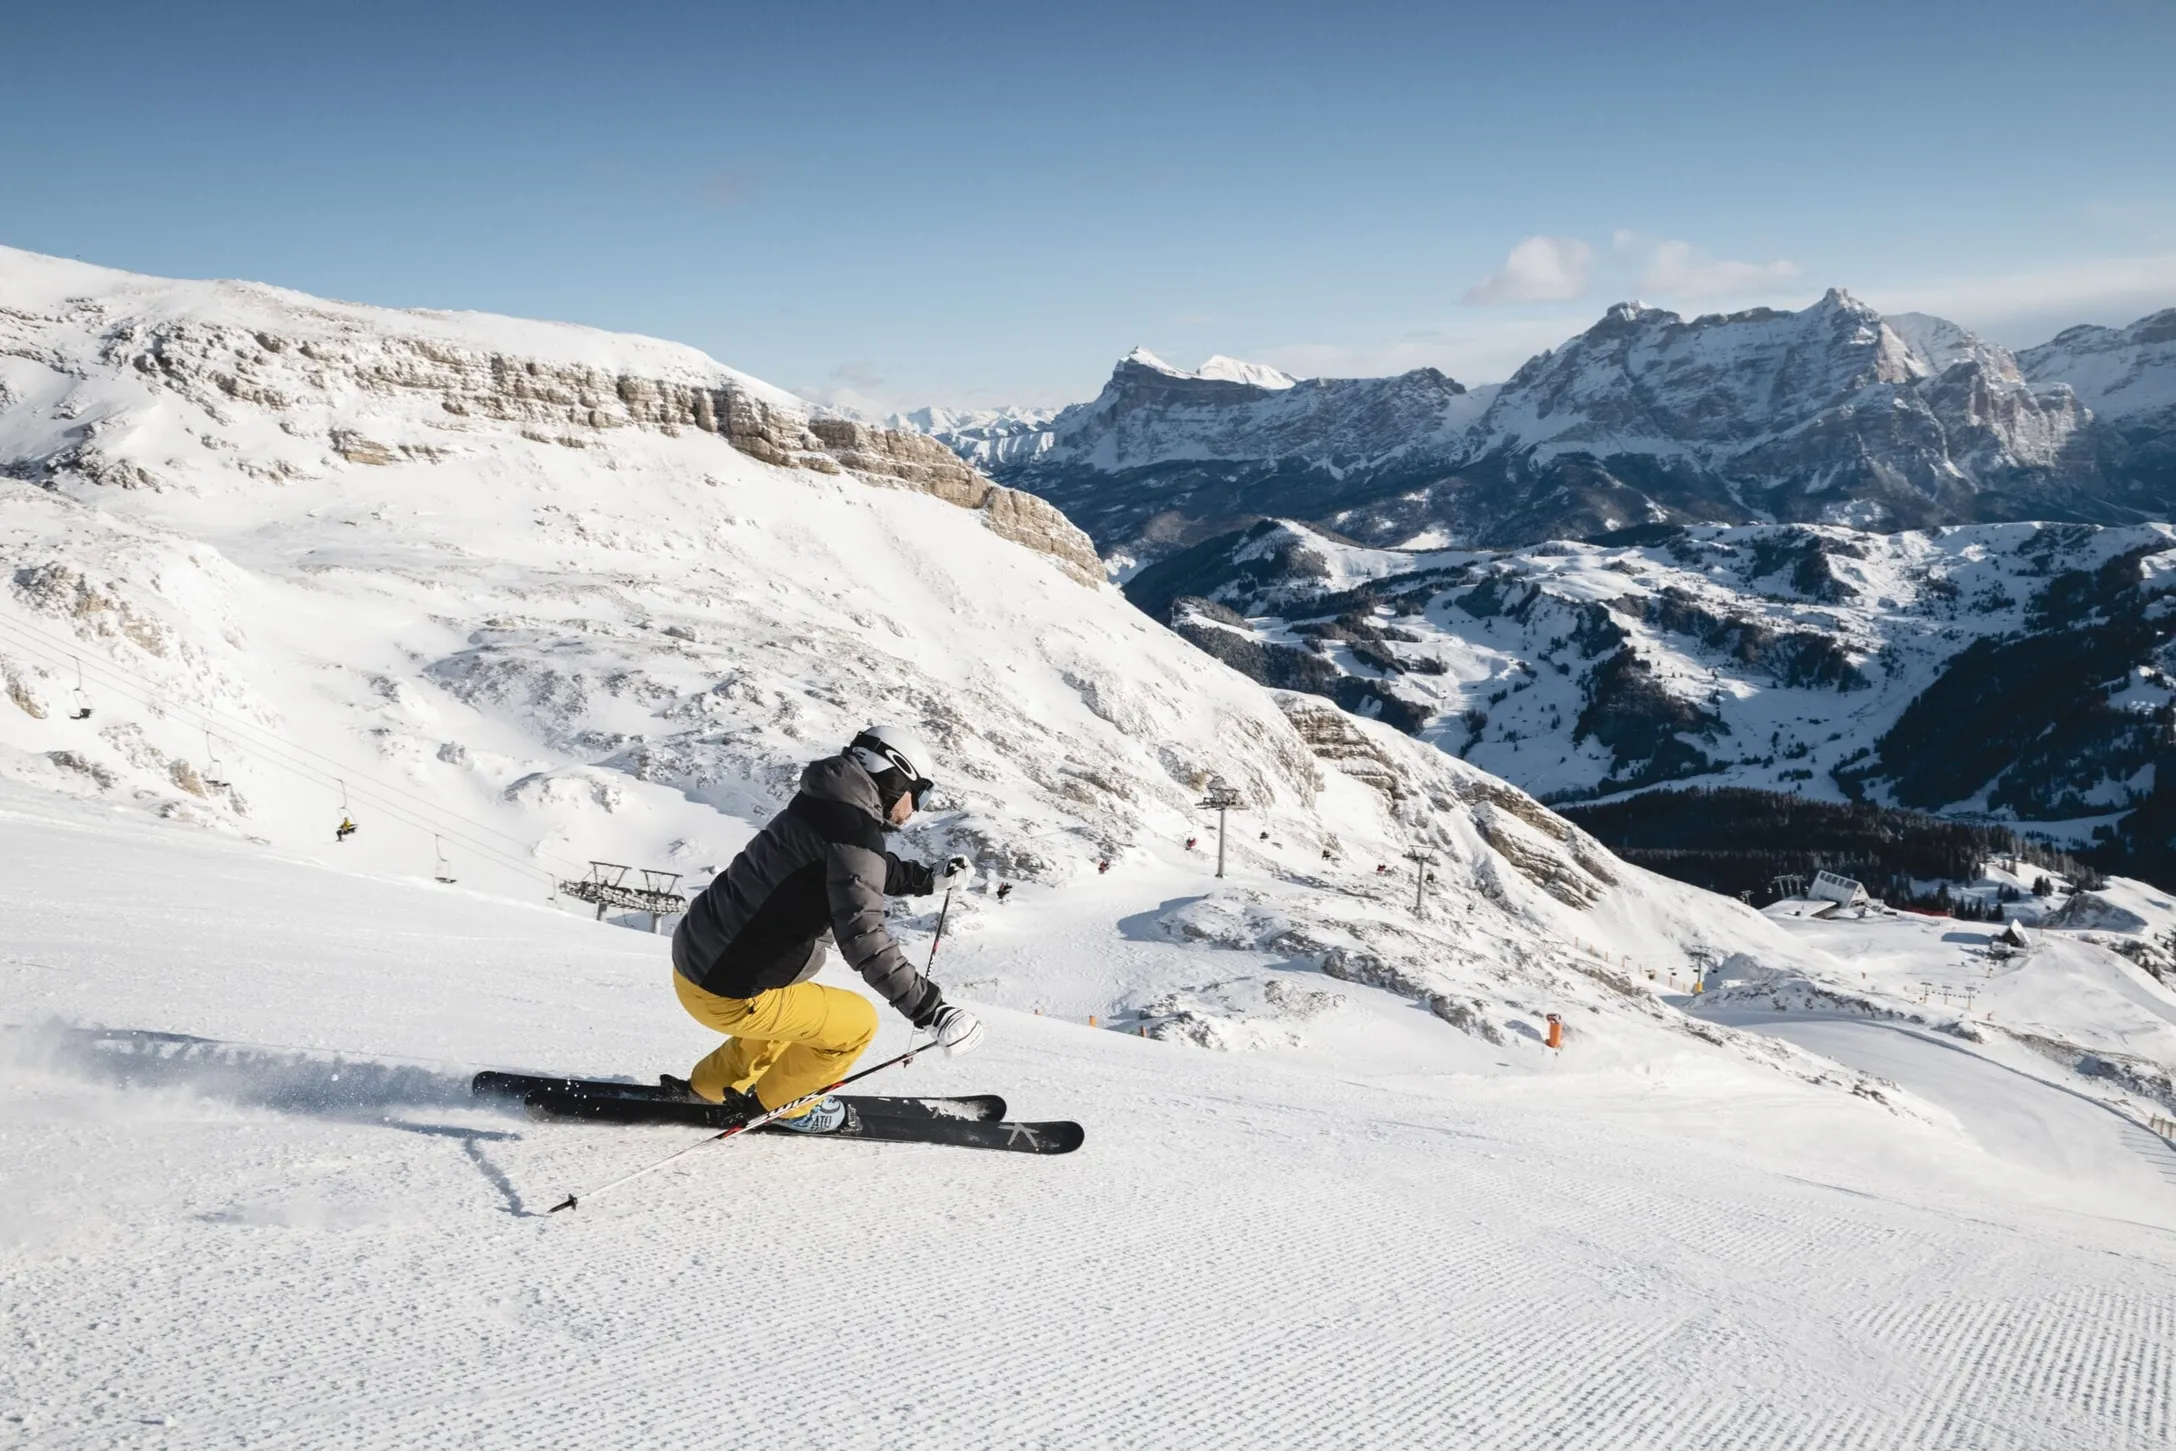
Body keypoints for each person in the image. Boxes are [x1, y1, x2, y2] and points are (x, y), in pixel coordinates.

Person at [664, 724, 983, 1134]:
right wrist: (931, 1010)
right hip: (727, 990)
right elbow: (864, 935)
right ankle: (787, 1107)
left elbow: (855, 868)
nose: (915, 809)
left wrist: (928, 880)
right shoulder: (853, 830)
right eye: (919, 794)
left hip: (694, 959)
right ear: (894, 776)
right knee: (856, 1024)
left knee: (793, 1011)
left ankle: (710, 1086)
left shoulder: (821, 799)